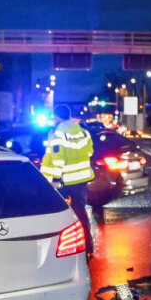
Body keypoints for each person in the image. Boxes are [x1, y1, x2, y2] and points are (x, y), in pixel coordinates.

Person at [40, 104, 96, 256]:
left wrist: (55, 179)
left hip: (65, 182)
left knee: (62, 216)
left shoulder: (58, 133)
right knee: (81, 214)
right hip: (81, 180)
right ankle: (88, 248)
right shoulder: (83, 131)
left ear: (57, 117)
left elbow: (58, 159)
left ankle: (63, 251)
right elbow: (90, 151)